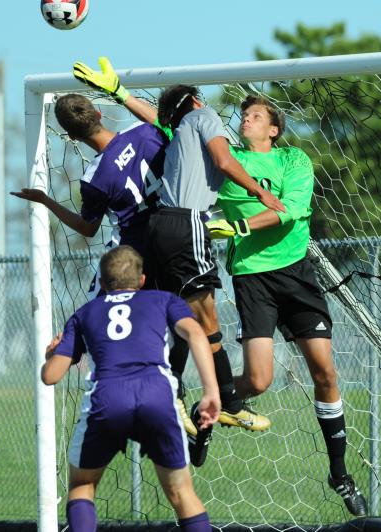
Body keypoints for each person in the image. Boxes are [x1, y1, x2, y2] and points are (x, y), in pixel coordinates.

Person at [73, 57, 283, 464]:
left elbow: (158, 117)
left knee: (184, 322)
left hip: (158, 231)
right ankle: (226, 400)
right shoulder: (203, 122)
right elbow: (223, 161)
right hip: (187, 225)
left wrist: (120, 93)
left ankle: (182, 401)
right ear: (197, 101)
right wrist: (260, 192)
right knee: (206, 321)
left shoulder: (178, 128)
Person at [206, 95, 368, 516]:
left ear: (273, 129)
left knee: (326, 372)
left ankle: (340, 473)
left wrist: (239, 224)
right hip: (252, 277)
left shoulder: (294, 160)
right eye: (244, 114)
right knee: (259, 381)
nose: (247, 119)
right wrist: (121, 95)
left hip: (296, 275)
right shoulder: (226, 158)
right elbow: (174, 126)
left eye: (256, 115)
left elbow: (295, 210)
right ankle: (214, 400)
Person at [41, 245, 219, 532]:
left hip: (108, 397)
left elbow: (50, 376)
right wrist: (211, 391)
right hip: (157, 395)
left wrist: (51, 354)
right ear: (143, 280)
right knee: (182, 494)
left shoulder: (84, 312)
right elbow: (196, 333)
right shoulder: (163, 300)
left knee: (82, 486)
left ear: (101, 283)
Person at [11, 92, 167, 294]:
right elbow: (164, 125)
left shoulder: (95, 179)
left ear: (72, 137)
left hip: (131, 255)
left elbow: (88, 228)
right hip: (172, 238)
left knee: (100, 314)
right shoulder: (144, 131)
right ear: (99, 114)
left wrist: (44, 200)